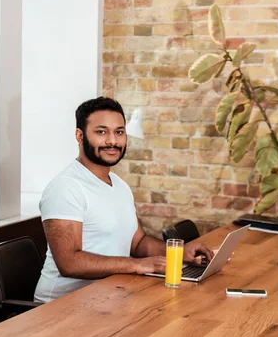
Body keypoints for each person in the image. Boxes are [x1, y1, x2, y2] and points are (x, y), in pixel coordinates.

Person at [34, 97, 214, 303]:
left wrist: (179, 253)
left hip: (108, 297)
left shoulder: (119, 185)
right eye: (101, 132)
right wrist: (136, 265)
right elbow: (69, 263)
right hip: (60, 307)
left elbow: (137, 243)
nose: (112, 141)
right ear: (79, 136)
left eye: (119, 132)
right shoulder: (65, 188)